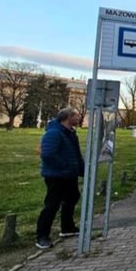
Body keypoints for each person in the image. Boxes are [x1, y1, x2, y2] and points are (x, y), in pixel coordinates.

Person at [36, 107, 84, 249]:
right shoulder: (54, 133)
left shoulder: (70, 133)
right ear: (68, 117)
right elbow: (48, 154)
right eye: (76, 115)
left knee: (72, 197)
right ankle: (42, 236)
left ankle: (67, 227)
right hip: (56, 175)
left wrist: (81, 169)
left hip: (69, 174)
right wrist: (65, 166)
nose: (79, 117)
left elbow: (76, 154)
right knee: (52, 204)